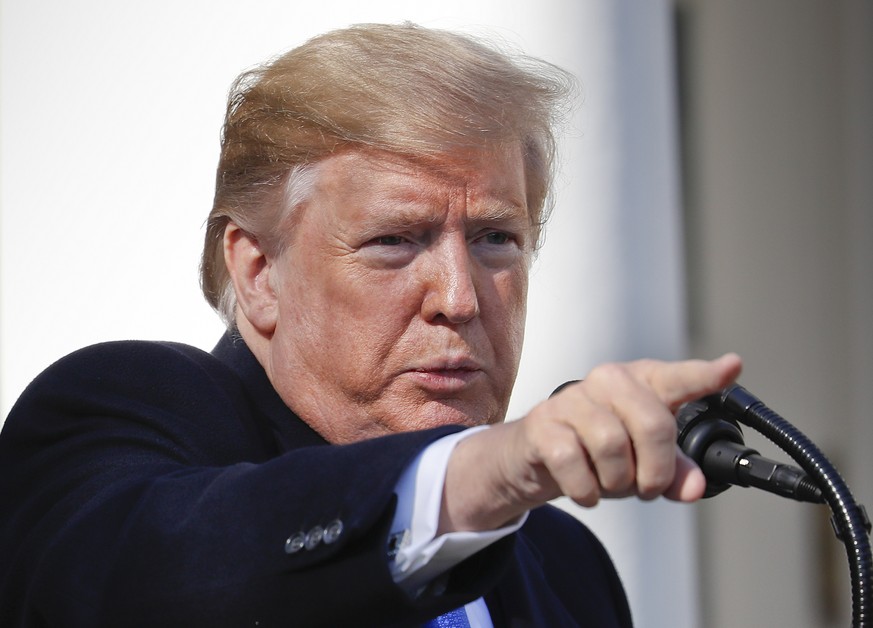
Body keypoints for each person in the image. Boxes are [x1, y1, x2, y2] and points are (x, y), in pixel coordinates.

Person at [0, 22, 741, 627]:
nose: (459, 296)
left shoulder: (564, 564)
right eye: (394, 240)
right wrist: (480, 476)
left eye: (496, 239)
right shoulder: (126, 408)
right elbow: (165, 568)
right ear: (257, 271)